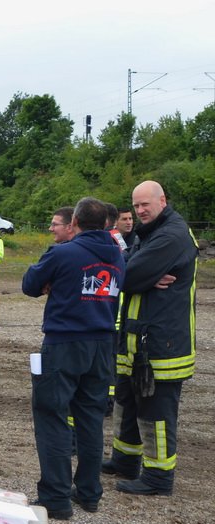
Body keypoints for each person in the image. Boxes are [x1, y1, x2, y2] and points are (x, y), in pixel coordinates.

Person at [22, 197, 124, 519]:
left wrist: (55, 281)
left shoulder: (63, 253)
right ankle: (90, 493)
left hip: (65, 343)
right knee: (91, 420)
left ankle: (56, 498)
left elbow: (29, 285)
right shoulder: (119, 257)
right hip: (102, 345)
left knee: (52, 416)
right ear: (106, 224)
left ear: (75, 223)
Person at [103, 180, 198, 496]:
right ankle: (125, 461)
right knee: (127, 402)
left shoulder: (170, 236)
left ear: (163, 201)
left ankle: (158, 477)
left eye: (146, 204)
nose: (141, 210)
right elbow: (128, 269)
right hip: (138, 341)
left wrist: (137, 275)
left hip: (162, 344)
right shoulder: (151, 232)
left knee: (155, 411)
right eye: (136, 205)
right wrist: (142, 275)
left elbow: (125, 276)